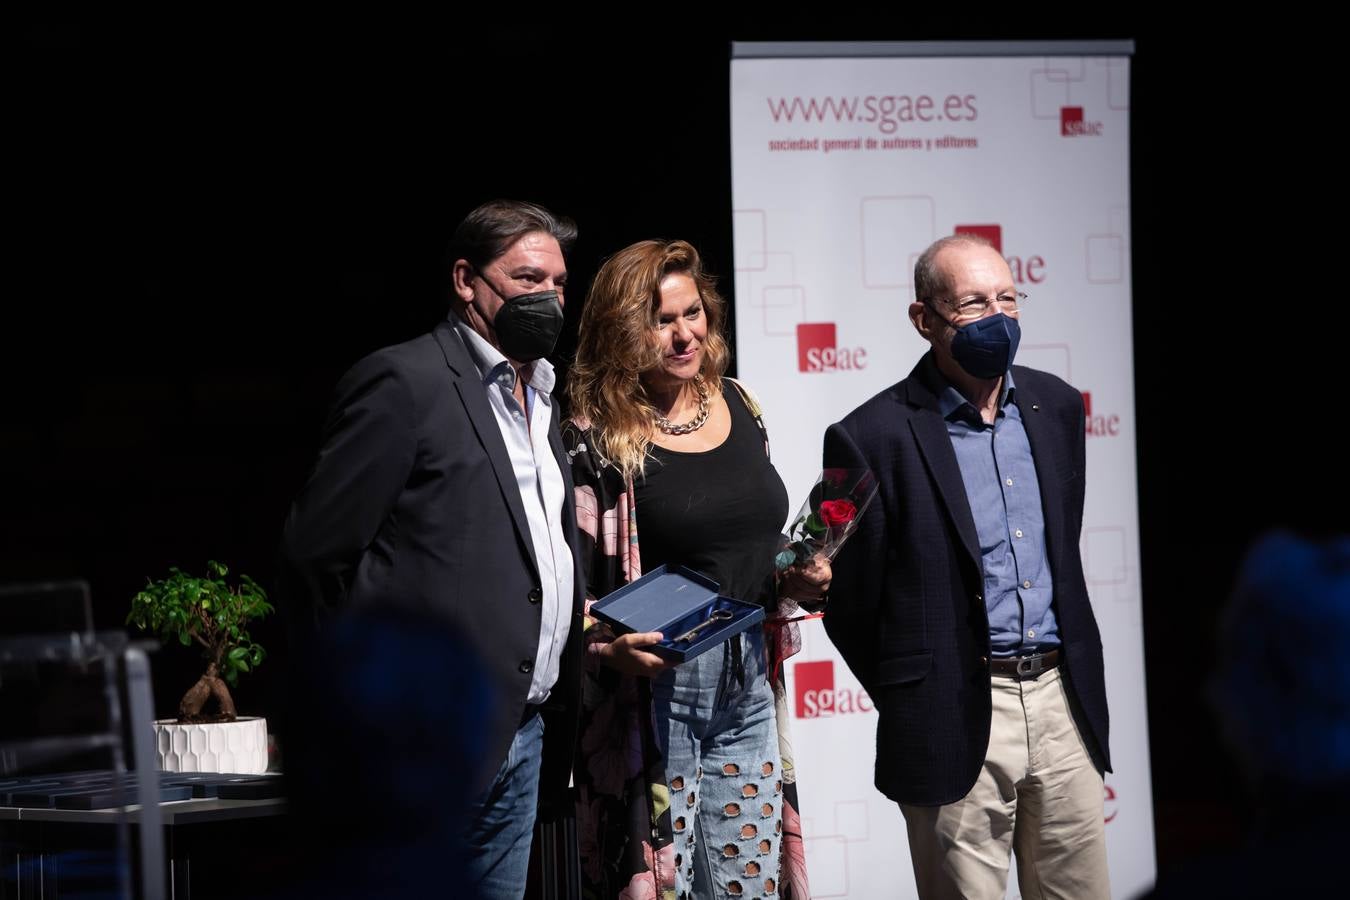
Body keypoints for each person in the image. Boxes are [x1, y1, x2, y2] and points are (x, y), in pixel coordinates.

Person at [279, 199, 585, 899]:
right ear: (465, 280)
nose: (548, 298)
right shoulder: (406, 382)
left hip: (526, 729)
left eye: (559, 283)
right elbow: (314, 555)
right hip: (417, 745)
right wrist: (354, 713)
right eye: (528, 278)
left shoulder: (543, 393)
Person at [823, 233, 1111, 899]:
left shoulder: (1058, 406)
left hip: (1061, 701)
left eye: (1008, 299)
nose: (998, 319)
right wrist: (917, 685)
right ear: (925, 320)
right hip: (952, 717)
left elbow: (1062, 550)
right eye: (974, 305)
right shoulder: (868, 436)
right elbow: (847, 597)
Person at [564, 239, 826, 899]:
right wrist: (602, 638)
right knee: (662, 884)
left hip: (748, 677)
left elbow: (748, 542)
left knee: (749, 887)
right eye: (661, 321)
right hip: (656, 691)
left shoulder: (740, 403)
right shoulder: (594, 437)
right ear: (625, 331)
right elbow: (564, 583)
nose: (684, 335)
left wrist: (793, 575)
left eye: (692, 313)